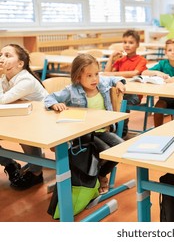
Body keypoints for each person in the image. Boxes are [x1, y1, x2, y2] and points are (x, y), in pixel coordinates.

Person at [44, 54, 126, 194]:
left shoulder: (101, 84)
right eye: (89, 75)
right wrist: (55, 104)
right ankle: (90, 179)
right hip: (82, 134)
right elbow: (49, 98)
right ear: (78, 77)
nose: (94, 79)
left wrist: (119, 82)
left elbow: (113, 78)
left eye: (96, 74)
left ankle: (99, 174)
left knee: (120, 148)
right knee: (104, 151)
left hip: (103, 131)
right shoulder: (71, 91)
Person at [0, 44, 48, 189]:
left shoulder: (26, 80)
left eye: (7, 56)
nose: (1, 59)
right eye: (0, 55)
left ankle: (36, 172)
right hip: (21, 117)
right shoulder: (5, 78)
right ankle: (10, 164)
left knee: (26, 135)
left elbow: (1, 100)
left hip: (44, 122)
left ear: (20, 64)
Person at [103, 29, 147, 138]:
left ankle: (122, 131)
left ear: (137, 45)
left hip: (134, 95)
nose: (127, 45)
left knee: (123, 102)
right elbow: (106, 74)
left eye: (131, 43)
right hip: (119, 92)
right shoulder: (120, 60)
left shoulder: (141, 60)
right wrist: (111, 58)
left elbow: (134, 73)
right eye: (125, 42)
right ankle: (110, 129)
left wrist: (115, 75)